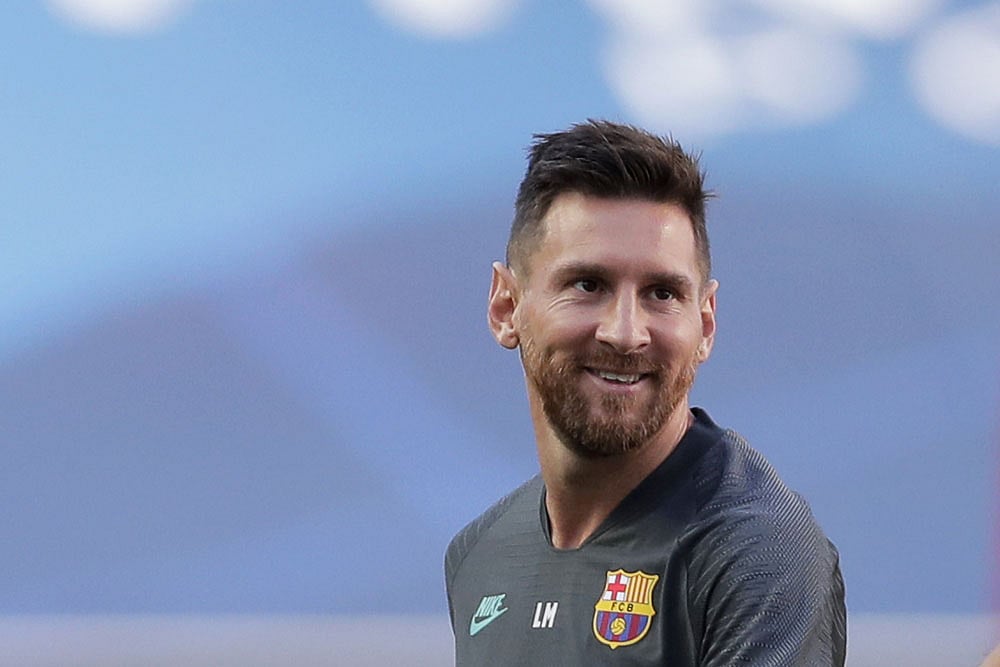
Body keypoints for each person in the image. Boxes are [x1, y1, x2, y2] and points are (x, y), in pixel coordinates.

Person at [444, 120, 846, 665]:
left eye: (662, 293)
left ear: (705, 324)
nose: (626, 332)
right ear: (506, 307)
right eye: (588, 285)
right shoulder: (480, 555)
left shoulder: (756, 552)